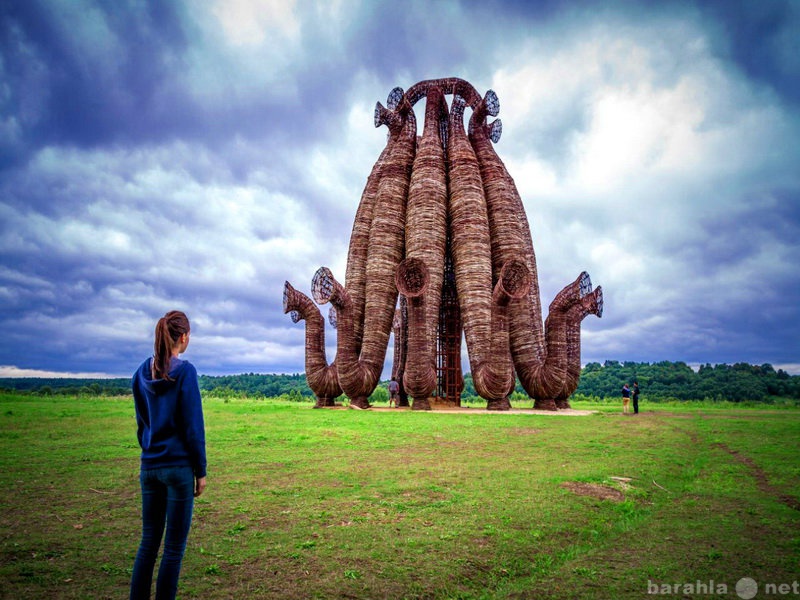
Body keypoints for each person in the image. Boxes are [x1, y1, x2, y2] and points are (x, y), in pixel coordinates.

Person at [130, 311, 207, 600]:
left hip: (149, 467)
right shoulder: (186, 372)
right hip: (178, 469)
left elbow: (142, 423)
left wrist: (150, 450)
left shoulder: (140, 372)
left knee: (148, 543)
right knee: (173, 549)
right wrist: (200, 470)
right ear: (184, 337)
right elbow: (193, 427)